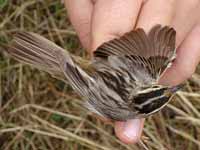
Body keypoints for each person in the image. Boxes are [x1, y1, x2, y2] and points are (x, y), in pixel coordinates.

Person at [64, 0, 200, 144]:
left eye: (157, 88)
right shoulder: (123, 111)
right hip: (82, 80)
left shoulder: (144, 72)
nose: (173, 88)